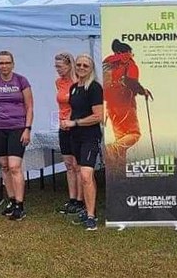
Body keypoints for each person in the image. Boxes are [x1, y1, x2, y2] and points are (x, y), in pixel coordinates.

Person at [0, 50, 34, 222]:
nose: (4, 66)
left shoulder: (21, 81)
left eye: (7, 62)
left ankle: (20, 205)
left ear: (13, 64)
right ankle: (11, 200)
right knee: (4, 165)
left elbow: (29, 106)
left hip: (17, 128)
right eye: (1, 63)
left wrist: (27, 128)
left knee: (14, 167)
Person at [59, 54, 104, 231]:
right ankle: (88, 209)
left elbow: (98, 116)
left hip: (90, 137)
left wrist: (75, 123)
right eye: (79, 65)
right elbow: (75, 111)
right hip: (74, 137)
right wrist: (67, 122)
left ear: (91, 68)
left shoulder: (94, 87)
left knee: (86, 174)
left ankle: (91, 217)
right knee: (85, 175)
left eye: (85, 65)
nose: (81, 68)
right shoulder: (74, 88)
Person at [102, 39, 152, 170]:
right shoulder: (129, 63)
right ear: (127, 51)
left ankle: (120, 171)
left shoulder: (108, 63)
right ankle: (111, 148)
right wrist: (143, 91)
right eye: (130, 52)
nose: (131, 54)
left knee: (122, 138)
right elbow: (131, 82)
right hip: (125, 103)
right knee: (134, 134)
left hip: (110, 106)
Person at [54, 52, 83, 215]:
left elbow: (80, 106)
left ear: (69, 65)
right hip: (63, 126)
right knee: (68, 165)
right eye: (56, 66)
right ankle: (72, 199)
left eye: (60, 66)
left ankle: (80, 200)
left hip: (76, 126)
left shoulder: (78, 82)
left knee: (77, 165)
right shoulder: (58, 82)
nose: (58, 69)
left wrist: (72, 119)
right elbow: (61, 104)